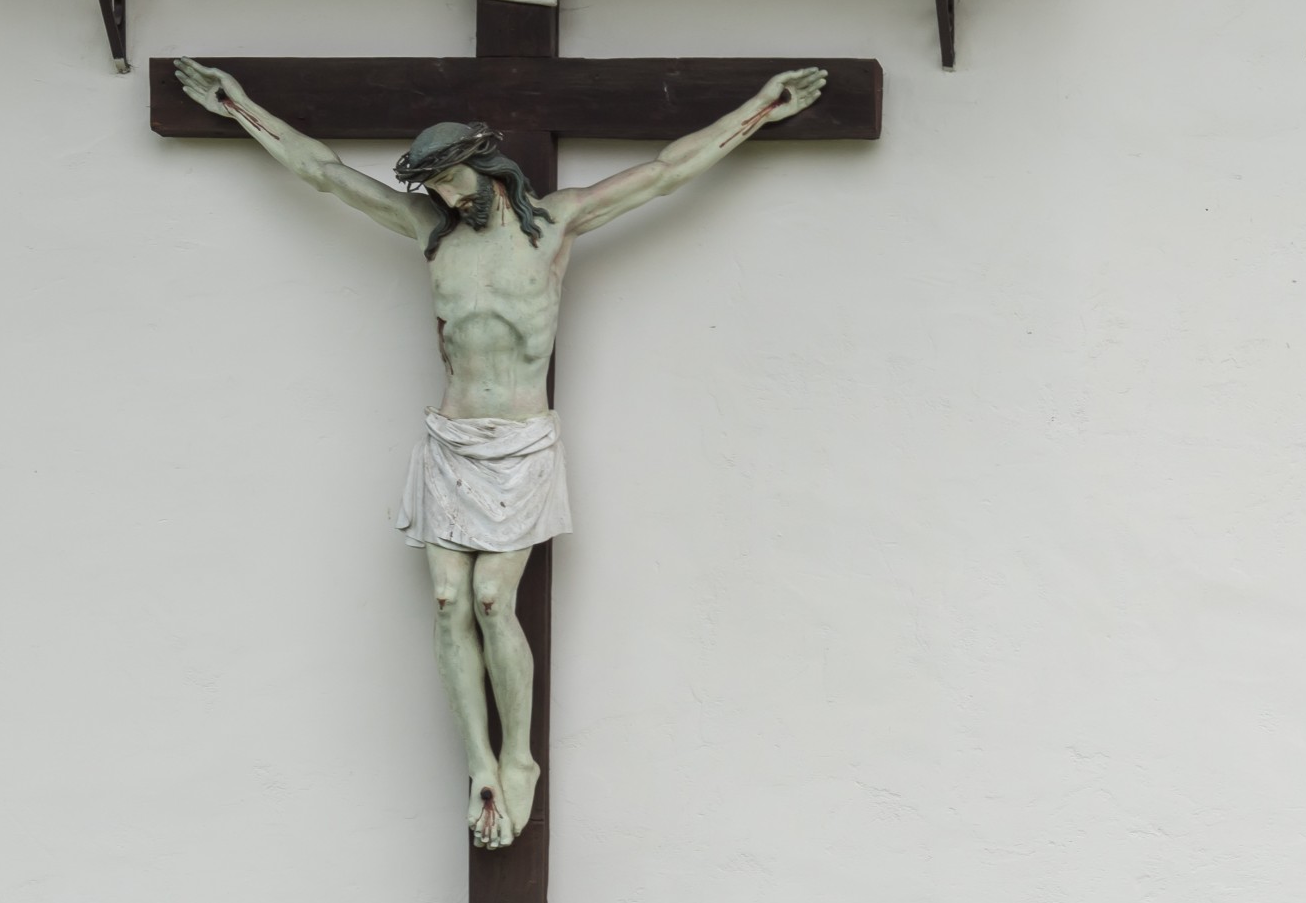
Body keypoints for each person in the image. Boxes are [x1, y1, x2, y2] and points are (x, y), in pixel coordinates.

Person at [170, 58, 829, 847]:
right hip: (451, 439)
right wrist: (236, 104)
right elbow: (327, 174)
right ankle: (479, 761)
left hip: (518, 443)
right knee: (448, 601)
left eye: (451, 182)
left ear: (482, 166)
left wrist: (761, 107)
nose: (444, 199)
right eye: (433, 190)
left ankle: (520, 758)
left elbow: (667, 170)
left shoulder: (556, 224)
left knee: (491, 599)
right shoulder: (430, 234)